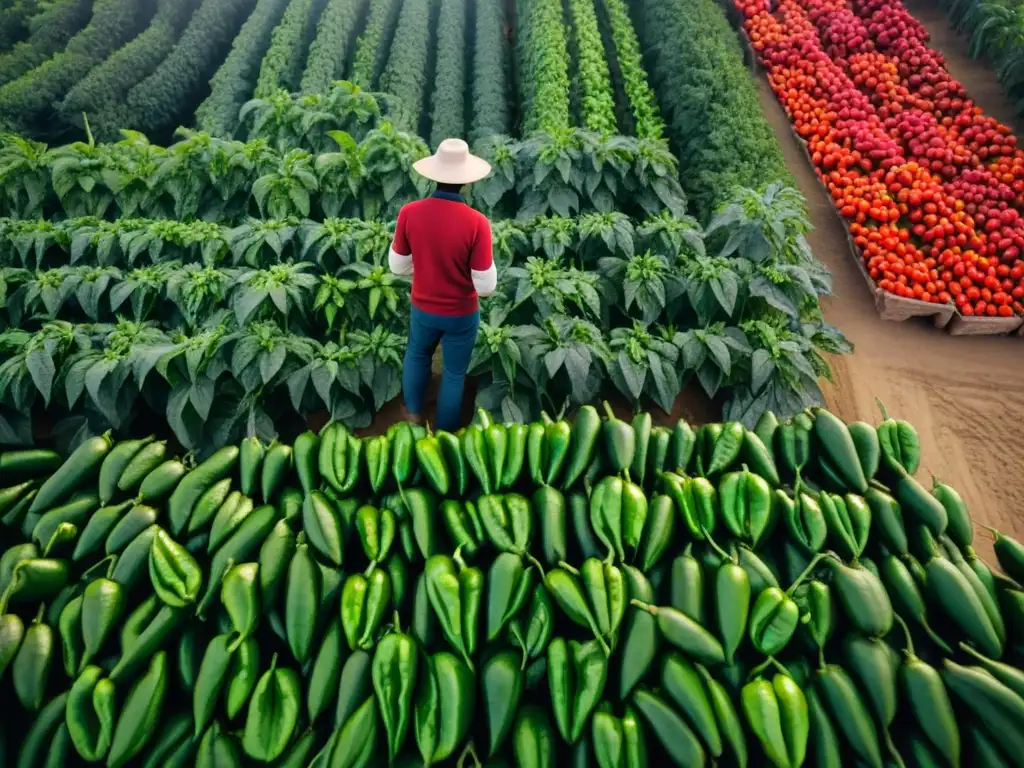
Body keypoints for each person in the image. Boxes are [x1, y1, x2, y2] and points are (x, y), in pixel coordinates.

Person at [389, 138, 497, 431]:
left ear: (433, 174)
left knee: (417, 353)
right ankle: (445, 432)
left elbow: (397, 267)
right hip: (461, 314)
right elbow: (485, 285)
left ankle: (412, 413)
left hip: (423, 307)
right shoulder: (477, 223)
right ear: (467, 182)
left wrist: (423, 266)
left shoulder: (409, 213)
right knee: (453, 374)